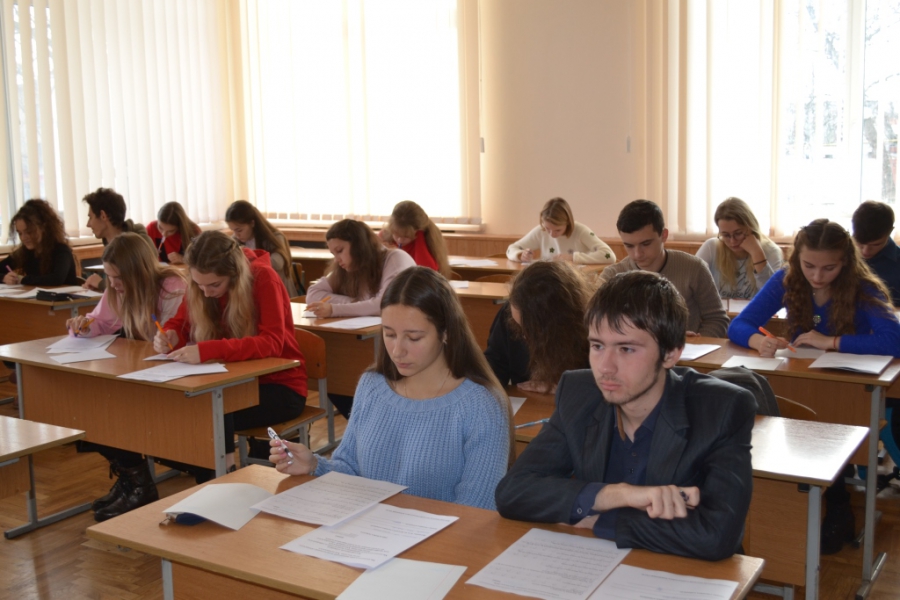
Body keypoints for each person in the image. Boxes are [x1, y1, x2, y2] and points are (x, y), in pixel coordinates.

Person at [495, 271, 755, 561]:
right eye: (597, 346)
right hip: (595, 565)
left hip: (685, 573)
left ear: (671, 353)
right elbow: (513, 492)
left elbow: (717, 536)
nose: (606, 367)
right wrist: (618, 495)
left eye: (626, 349)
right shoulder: (579, 394)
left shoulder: (722, 409)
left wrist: (602, 520)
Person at [270, 267, 512, 510]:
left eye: (414, 338)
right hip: (369, 528)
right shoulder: (372, 386)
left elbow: (477, 508)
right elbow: (349, 468)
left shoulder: (482, 404)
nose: (397, 351)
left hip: (441, 534)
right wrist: (314, 465)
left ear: (446, 332)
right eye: (389, 334)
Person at [728, 218, 900, 554]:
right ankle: (800, 506)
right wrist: (757, 341)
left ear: (845, 262)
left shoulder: (864, 287)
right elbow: (740, 324)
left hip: (849, 386)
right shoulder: (787, 279)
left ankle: (838, 505)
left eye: (829, 268)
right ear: (797, 260)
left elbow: (893, 340)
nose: (817, 276)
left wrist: (831, 342)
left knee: (831, 431)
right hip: (802, 382)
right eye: (809, 266)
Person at [154, 231, 307, 474]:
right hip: (231, 383)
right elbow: (181, 322)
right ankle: (212, 474)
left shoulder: (264, 278)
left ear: (234, 274)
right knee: (189, 409)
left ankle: (221, 473)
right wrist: (171, 335)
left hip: (280, 386)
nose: (206, 292)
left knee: (212, 412)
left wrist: (209, 350)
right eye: (199, 285)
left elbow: (272, 343)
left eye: (215, 285)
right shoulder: (203, 285)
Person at [65, 233, 187, 521]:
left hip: (170, 376)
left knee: (113, 412)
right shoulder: (115, 290)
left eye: (118, 277)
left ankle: (139, 482)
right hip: (136, 372)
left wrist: (164, 340)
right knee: (90, 410)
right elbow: (101, 321)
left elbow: (177, 336)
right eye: (109, 276)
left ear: (138, 271)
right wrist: (84, 326)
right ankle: (133, 478)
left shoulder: (171, 287)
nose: (113, 284)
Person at [306, 219, 416, 418]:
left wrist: (335, 309)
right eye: (333, 254)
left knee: (351, 378)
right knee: (338, 380)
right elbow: (313, 294)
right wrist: (355, 302)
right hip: (374, 341)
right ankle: (365, 426)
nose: (337, 259)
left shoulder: (395, 259)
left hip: (405, 343)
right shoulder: (348, 269)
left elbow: (384, 305)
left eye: (340, 251)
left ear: (358, 245)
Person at [599, 200, 729, 337]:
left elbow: (717, 319)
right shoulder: (611, 276)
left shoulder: (694, 268)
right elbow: (596, 323)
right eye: (629, 246)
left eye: (646, 244)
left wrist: (694, 344)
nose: (637, 254)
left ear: (664, 236)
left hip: (685, 349)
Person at [484, 261, 591, 393]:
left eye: (532, 329)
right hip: (526, 399)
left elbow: (597, 383)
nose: (525, 336)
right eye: (519, 326)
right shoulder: (509, 313)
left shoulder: (590, 327)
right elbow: (495, 362)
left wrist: (564, 387)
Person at [696, 197, 783, 299]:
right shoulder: (711, 247)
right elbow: (691, 282)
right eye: (726, 235)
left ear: (751, 227)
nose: (732, 241)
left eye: (738, 233)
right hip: (718, 310)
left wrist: (756, 253)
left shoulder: (771, 251)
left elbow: (773, 297)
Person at [81, 187, 154, 291]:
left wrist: (101, 284)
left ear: (103, 216)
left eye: (90, 217)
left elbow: (143, 282)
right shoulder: (109, 243)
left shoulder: (140, 243)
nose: (88, 224)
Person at [506, 197, 615, 264]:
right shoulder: (541, 231)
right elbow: (511, 249)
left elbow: (609, 255)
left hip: (576, 283)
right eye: (548, 228)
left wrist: (573, 257)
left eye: (558, 230)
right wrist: (520, 255)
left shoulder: (580, 231)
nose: (552, 234)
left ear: (567, 223)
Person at [226, 200, 298, 297]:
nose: (236, 235)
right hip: (252, 294)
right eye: (233, 231)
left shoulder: (275, 238)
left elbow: (277, 263)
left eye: (239, 230)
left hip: (278, 293)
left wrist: (245, 262)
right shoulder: (234, 241)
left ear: (252, 223)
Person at [1, 199, 79, 286]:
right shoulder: (25, 252)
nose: (23, 238)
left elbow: (56, 279)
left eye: (29, 232)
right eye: (20, 233)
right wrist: (4, 278)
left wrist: (23, 279)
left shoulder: (61, 250)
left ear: (43, 227)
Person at [379, 200, 452, 278]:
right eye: (396, 234)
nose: (400, 240)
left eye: (406, 236)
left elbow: (427, 274)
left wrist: (420, 238)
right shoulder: (384, 237)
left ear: (417, 231)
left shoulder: (427, 241)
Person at [852, 200, 900, 305]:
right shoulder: (837, 256)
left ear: (890, 231)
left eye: (875, 245)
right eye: (860, 243)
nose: (865, 251)